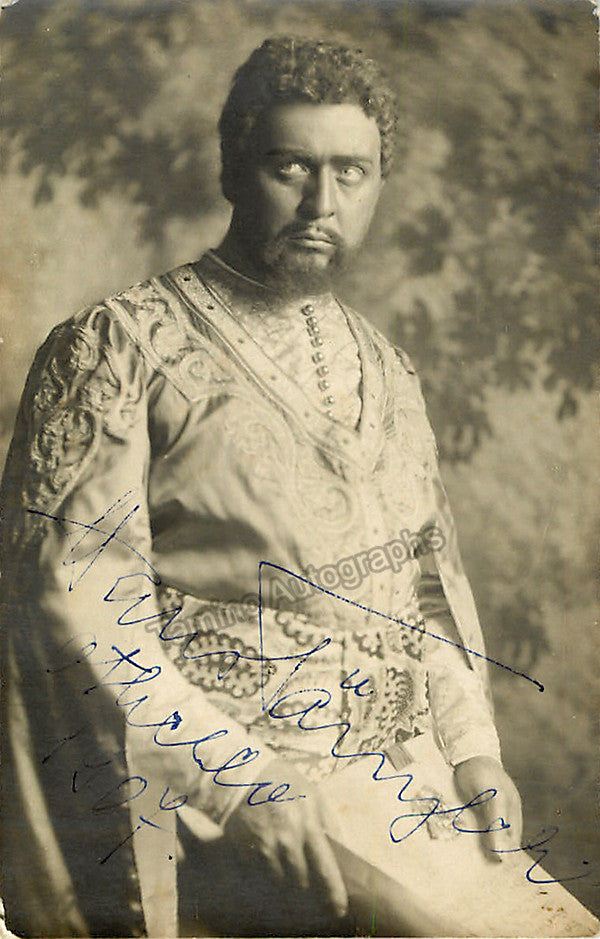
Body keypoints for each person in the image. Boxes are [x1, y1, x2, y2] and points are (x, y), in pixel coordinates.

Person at [1, 36, 522, 938]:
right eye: (292, 167)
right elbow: (74, 608)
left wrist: (474, 750)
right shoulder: (119, 347)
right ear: (233, 170)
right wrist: (240, 781)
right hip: (212, 795)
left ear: (378, 183)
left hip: (401, 779)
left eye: (351, 172)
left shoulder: (389, 371)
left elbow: (427, 592)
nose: (323, 203)